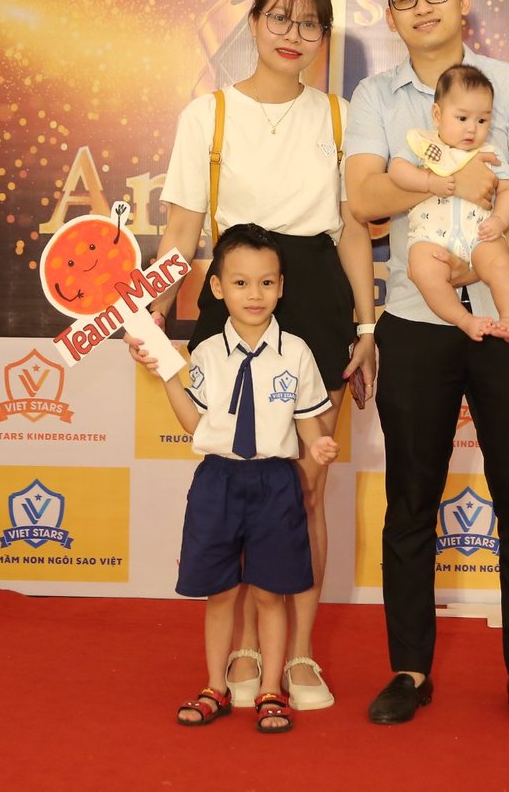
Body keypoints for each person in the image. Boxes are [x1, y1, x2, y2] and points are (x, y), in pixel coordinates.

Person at [133, 0, 378, 712]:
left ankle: (298, 654)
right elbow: (182, 231)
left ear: (324, 35)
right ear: (254, 21)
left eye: (310, 24)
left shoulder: (340, 117)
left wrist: (366, 325)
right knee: (237, 479)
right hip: (234, 291)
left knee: (304, 486)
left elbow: (353, 233)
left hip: (317, 302)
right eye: (280, 18)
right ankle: (242, 647)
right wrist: (146, 311)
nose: (293, 36)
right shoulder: (205, 115)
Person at [343, 0, 509, 730]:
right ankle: (409, 670)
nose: (423, 7)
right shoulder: (375, 95)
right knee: (410, 502)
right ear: (390, 14)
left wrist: (479, 264)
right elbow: (365, 198)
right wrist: (446, 183)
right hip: (413, 319)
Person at [142, 224, 340, 734]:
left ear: (281, 286)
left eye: (267, 283)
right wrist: (167, 375)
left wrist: (317, 443)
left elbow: (307, 417)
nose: (255, 294)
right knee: (222, 593)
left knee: (271, 592)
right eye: (241, 283)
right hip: (219, 482)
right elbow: (195, 423)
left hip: (276, 483)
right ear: (217, 288)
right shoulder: (207, 353)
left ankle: (271, 689)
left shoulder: (297, 352)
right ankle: (216, 685)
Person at [387, 63, 509, 342]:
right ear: (437, 115)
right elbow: (397, 170)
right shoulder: (423, 146)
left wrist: (499, 220)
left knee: (500, 265)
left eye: (482, 121)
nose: (472, 129)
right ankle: (464, 319)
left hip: (479, 234)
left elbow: (508, 189)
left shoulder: (490, 154)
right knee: (425, 270)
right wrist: (428, 181)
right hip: (430, 237)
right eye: (462, 118)